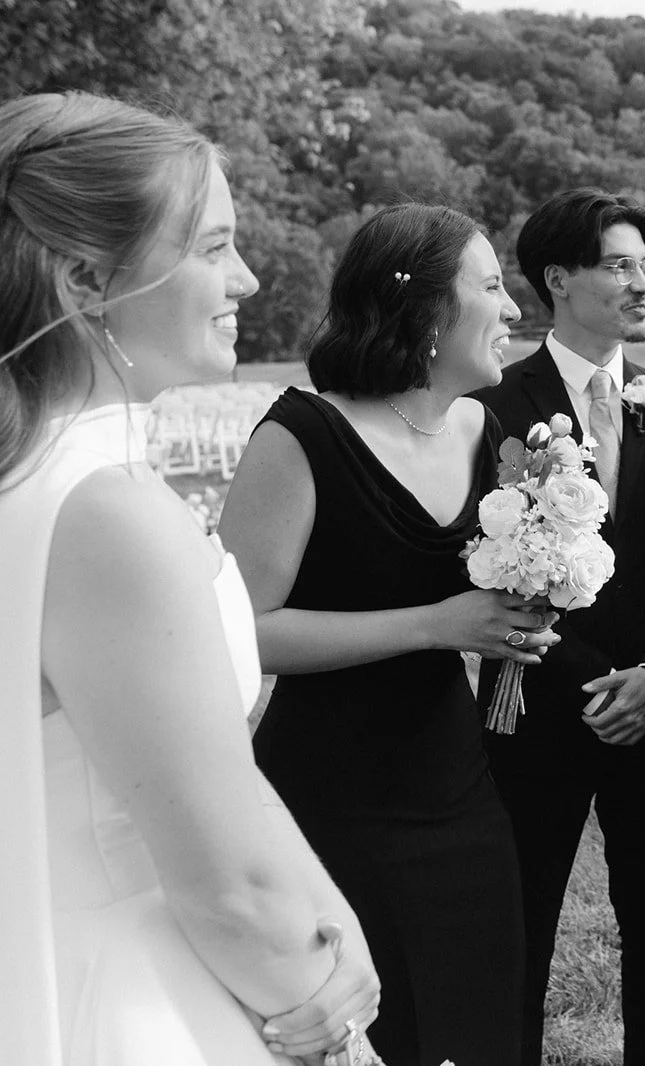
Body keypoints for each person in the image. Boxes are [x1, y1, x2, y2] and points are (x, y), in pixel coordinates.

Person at [0, 92, 381, 1066]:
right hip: (130, 999)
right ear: (88, 279)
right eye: (213, 247)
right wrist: (331, 1027)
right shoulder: (108, 512)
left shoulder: (37, 477)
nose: (247, 278)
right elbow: (231, 889)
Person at [220, 203, 553, 1066]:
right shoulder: (300, 436)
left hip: (461, 791)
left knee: (479, 1022)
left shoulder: (489, 429)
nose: (514, 307)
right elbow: (239, 633)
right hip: (330, 798)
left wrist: (531, 603)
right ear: (427, 310)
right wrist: (438, 626)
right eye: (491, 286)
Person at [474, 187, 645, 1066]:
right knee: (519, 934)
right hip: (537, 716)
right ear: (558, 278)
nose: (641, 282)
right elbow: (477, 552)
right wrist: (585, 678)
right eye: (619, 264)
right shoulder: (494, 405)